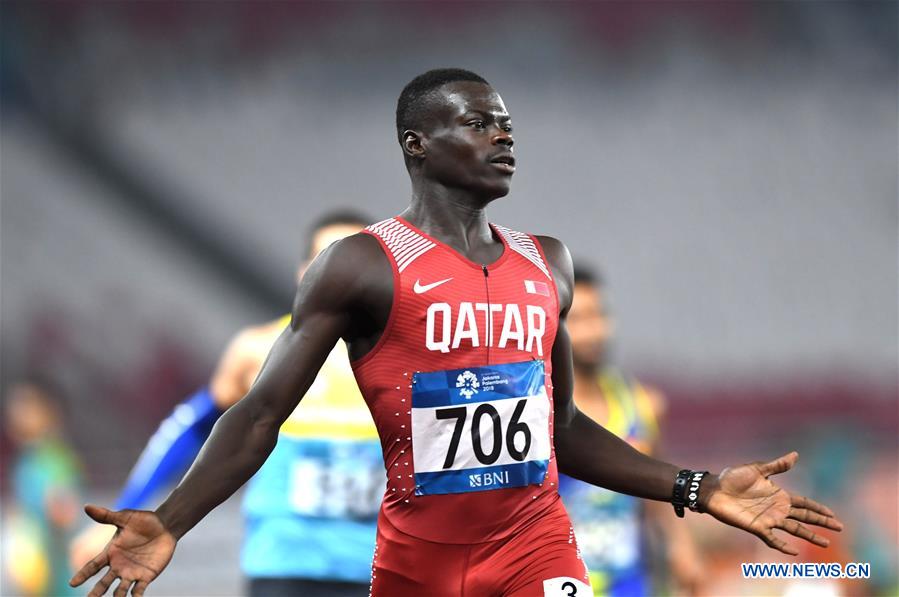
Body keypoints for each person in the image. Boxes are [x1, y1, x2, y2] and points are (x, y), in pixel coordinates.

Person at [71, 68, 843, 597]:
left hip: (537, 543)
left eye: (507, 125)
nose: (503, 137)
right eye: (478, 123)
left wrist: (697, 487)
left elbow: (562, 427)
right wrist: (170, 518)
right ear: (417, 143)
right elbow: (258, 414)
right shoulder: (362, 265)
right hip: (417, 561)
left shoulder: (549, 262)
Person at [69, 212, 377, 597]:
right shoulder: (259, 350)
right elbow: (189, 428)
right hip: (283, 565)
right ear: (305, 273)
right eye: (329, 260)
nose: (344, 276)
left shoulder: (415, 356)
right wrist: (127, 509)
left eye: (357, 261)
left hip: (380, 566)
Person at [560, 266, 702, 596]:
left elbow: (660, 486)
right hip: (564, 584)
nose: (593, 331)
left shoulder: (644, 405)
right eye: (578, 320)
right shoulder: (543, 412)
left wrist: (682, 546)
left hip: (630, 584)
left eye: (599, 315)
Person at [4, 377, 82, 596]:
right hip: (35, 583)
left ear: (50, 412)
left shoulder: (54, 459)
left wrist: (58, 509)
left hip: (59, 582)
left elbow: (66, 512)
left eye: (27, 405)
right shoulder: (26, 459)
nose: (16, 412)